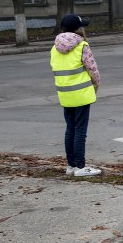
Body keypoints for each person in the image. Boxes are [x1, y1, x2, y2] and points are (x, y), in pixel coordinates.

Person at [50, 15, 101, 177]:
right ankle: (80, 167)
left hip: (65, 94)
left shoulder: (54, 48)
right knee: (80, 131)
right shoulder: (82, 45)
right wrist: (96, 85)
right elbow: (93, 70)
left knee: (70, 130)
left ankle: (71, 165)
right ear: (78, 29)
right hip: (81, 94)